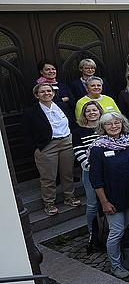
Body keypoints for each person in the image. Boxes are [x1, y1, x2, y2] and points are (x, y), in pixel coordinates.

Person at [88, 112, 129, 278]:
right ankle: (116, 265)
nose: (113, 126)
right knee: (116, 231)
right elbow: (95, 179)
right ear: (102, 127)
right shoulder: (98, 148)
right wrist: (104, 202)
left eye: (116, 123)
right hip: (111, 198)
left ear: (122, 123)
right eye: (108, 124)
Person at [22, 82, 80, 216]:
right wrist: (35, 149)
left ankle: (69, 197)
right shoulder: (31, 112)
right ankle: (49, 203)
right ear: (36, 96)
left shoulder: (62, 106)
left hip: (66, 142)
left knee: (68, 173)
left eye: (49, 91)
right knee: (48, 177)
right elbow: (25, 133)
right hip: (46, 146)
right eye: (42, 92)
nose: (46, 93)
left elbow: (71, 122)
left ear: (53, 93)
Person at [73, 101, 103, 239]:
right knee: (92, 204)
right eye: (88, 111)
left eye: (94, 110)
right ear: (84, 114)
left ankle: (106, 229)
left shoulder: (106, 127)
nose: (92, 113)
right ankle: (93, 233)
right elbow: (79, 153)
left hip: (108, 172)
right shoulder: (78, 132)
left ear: (100, 111)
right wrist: (94, 168)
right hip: (89, 172)